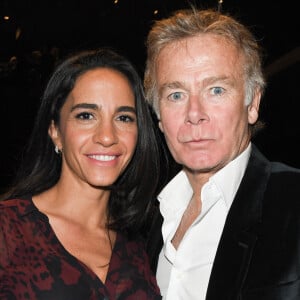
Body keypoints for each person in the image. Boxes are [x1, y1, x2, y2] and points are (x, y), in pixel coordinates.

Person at [144, 7, 300, 300]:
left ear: (252, 103)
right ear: (160, 118)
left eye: (216, 90)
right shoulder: (150, 221)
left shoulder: (292, 201)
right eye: (176, 95)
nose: (194, 114)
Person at [0, 48, 162, 299]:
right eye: (86, 116)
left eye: (124, 118)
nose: (107, 136)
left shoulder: (139, 244)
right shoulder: (8, 229)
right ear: (55, 131)